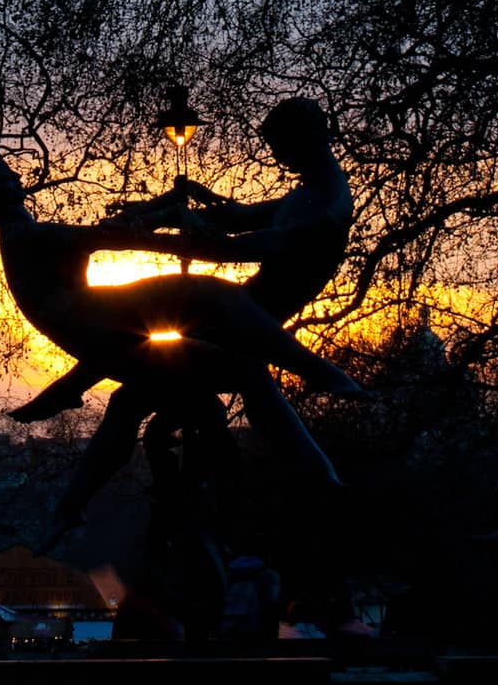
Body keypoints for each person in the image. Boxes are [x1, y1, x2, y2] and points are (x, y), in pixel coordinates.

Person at [22, 97, 360, 540]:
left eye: (281, 145)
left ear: (307, 137)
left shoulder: (326, 204)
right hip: (237, 319)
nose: (277, 156)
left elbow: (241, 247)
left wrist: (153, 241)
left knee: (135, 383)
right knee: (144, 372)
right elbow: (235, 219)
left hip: (241, 323)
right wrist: (167, 213)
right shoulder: (311, 193)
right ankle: (322, 477)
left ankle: (70, 487)